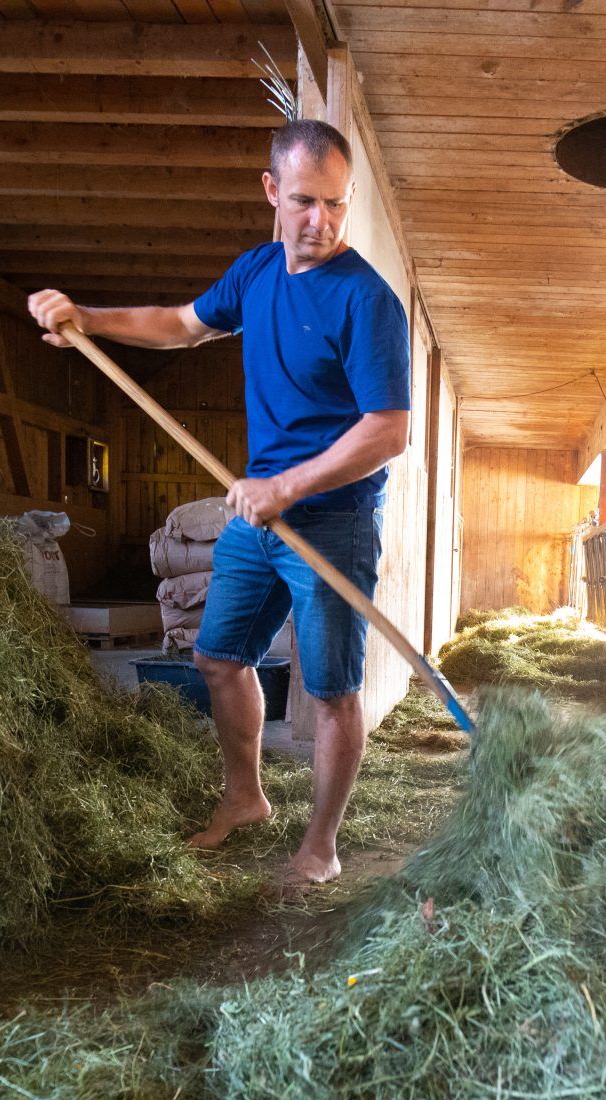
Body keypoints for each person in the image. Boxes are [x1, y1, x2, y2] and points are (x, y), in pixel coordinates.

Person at [28, 118, 410, 885]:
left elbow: (388, 431)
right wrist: (87, 320)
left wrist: (286, 487)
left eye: (335, 205)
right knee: (216, 654)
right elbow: (181, 325)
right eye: (305, 201)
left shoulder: (367, 301)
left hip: (330, 520)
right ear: (271, 191)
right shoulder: (257, 273)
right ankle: (246, 799)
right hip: (255, 519)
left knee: (331, 690)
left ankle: (322, 848)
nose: (320, 222)